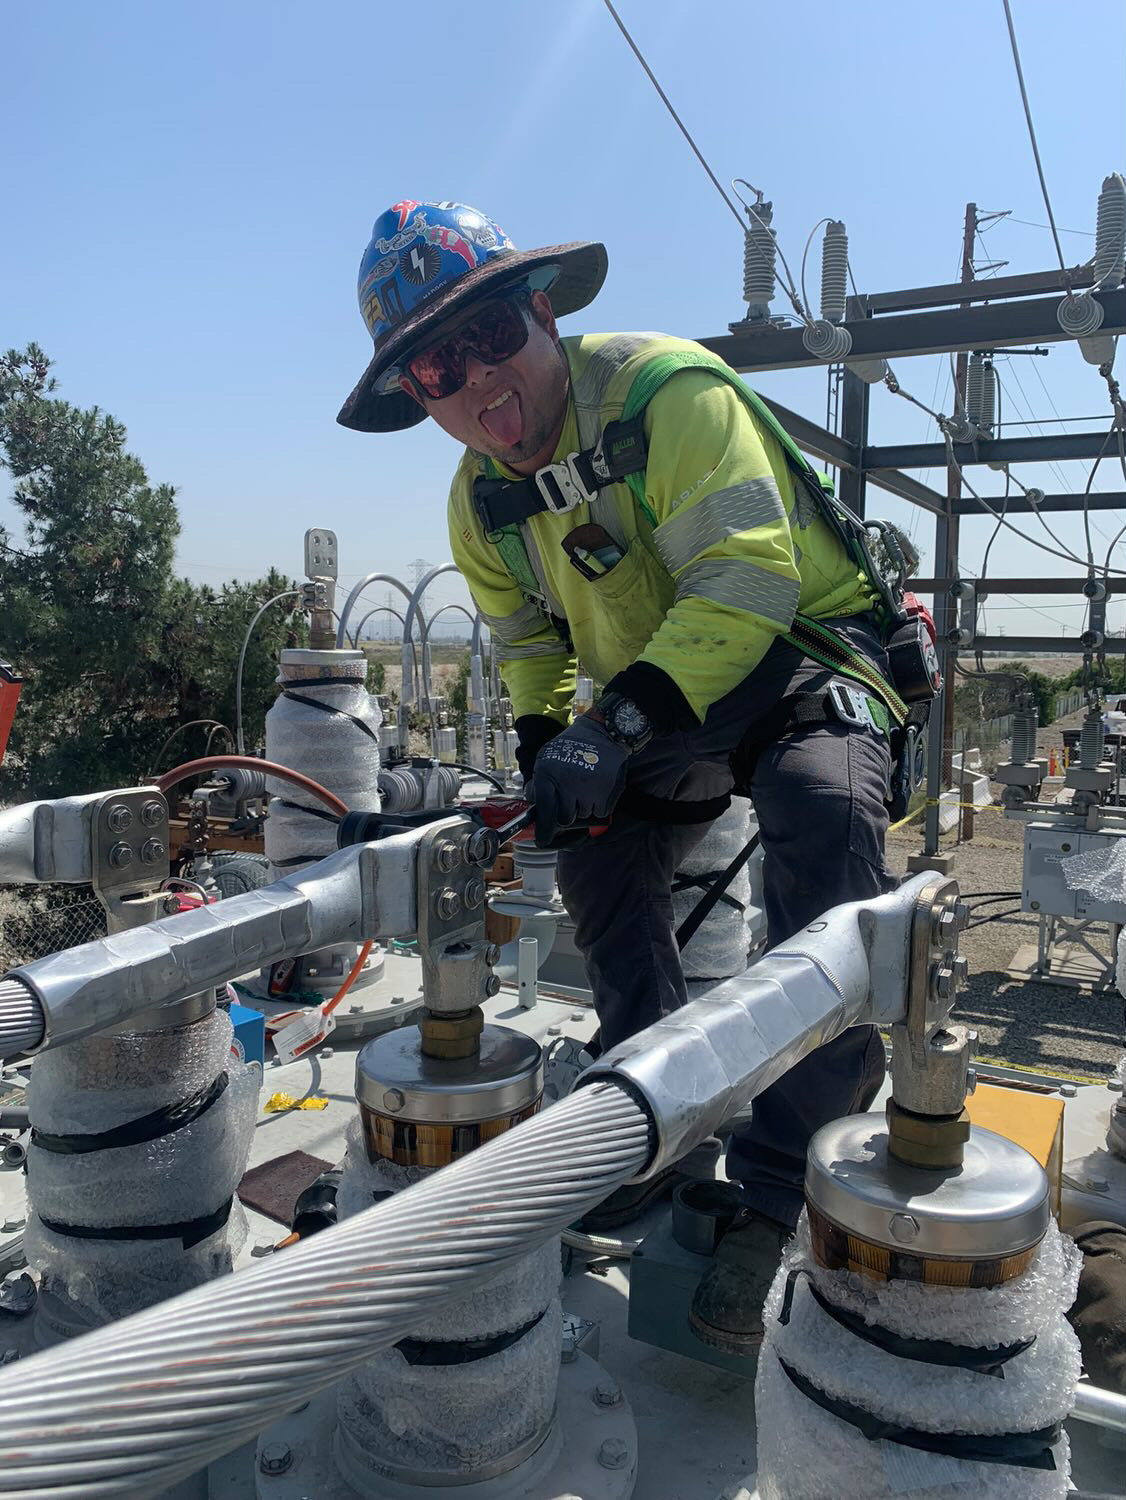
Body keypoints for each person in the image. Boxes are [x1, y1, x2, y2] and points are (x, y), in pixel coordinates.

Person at [339, 199, 901, 1351]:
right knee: (591, 851)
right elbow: (531, 648)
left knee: (823, 815)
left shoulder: (668, 394)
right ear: (418, 396)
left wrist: (621, 720)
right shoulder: (480, 498)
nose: (477, 384)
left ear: (542, 312)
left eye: (490, 334)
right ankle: (657, 1118)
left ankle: (780, 1182)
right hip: (658, 695)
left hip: (801, 661)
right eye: (438, 367)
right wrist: (554, 745)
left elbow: (748, 580)